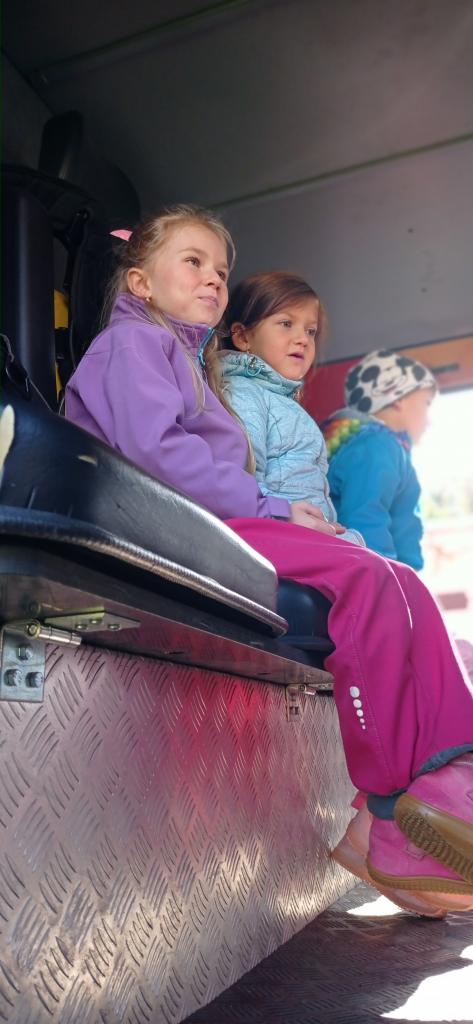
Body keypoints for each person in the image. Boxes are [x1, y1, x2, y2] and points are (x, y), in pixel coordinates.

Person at [66, 205, 473, 916]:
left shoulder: (187, 363)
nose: (213, 278)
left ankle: (437, 777)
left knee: (401, 580)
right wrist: (276, 508)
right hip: (173, 524)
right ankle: (390, 811)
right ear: (140, 281)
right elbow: (155, 455)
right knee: (365, 578)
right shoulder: (131, 344)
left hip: (206, 518)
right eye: (193, 261)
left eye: (221, 270)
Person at [219, 271, 364, 547]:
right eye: (286, 324)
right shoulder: (243, 394)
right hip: (279, 533)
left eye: (311, 331)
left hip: (310, 532)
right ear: (242, 337)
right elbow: (242, 479)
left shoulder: (284, 402)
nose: (303, 339)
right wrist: (281, 514)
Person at [324, 349, 436, 569]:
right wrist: (388, 579)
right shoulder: (377, 446)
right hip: (380, 574)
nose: (428, 420)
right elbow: (366, 521)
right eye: (426, 403)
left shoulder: (372, 445)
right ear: (399, 398)